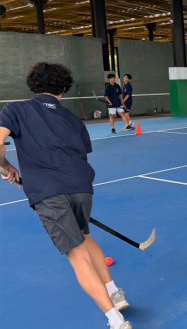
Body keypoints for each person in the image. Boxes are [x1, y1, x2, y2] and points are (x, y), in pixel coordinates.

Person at [0, 63, 132, 329]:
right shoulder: (72, 119)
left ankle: (115, 319)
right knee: (84, 236)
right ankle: (115, 293)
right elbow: (76, 155)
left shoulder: (15, 109)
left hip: (48, 192)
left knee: (77, 255)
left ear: (33, 84)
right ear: (63, 88)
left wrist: (7, 168)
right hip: (81, 186)